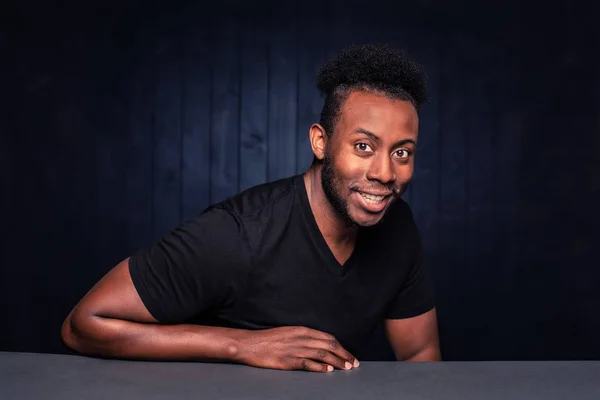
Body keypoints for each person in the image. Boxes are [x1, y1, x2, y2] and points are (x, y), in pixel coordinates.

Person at [61, 43, 441, 372]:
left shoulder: (397, 228)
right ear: (320, 142)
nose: (385, 173)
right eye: (363, 147)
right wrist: (241, 345)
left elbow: (420, 356)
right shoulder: (237, 235)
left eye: (402, 152)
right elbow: (82, 325)